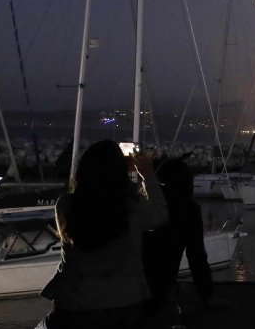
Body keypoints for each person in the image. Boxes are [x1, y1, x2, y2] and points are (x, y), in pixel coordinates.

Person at [40, 140, 168, 329]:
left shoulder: (66, 205)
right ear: (120, 173)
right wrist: (147, 175)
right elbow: (160, 216)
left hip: (75, 301)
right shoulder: (131, 207)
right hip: (125, 300)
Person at [141, 156, 213, 326]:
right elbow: (197, 257)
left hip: (135, 287)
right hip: (162, 291)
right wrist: (206, 296)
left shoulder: (143, 207)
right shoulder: (189, 211)